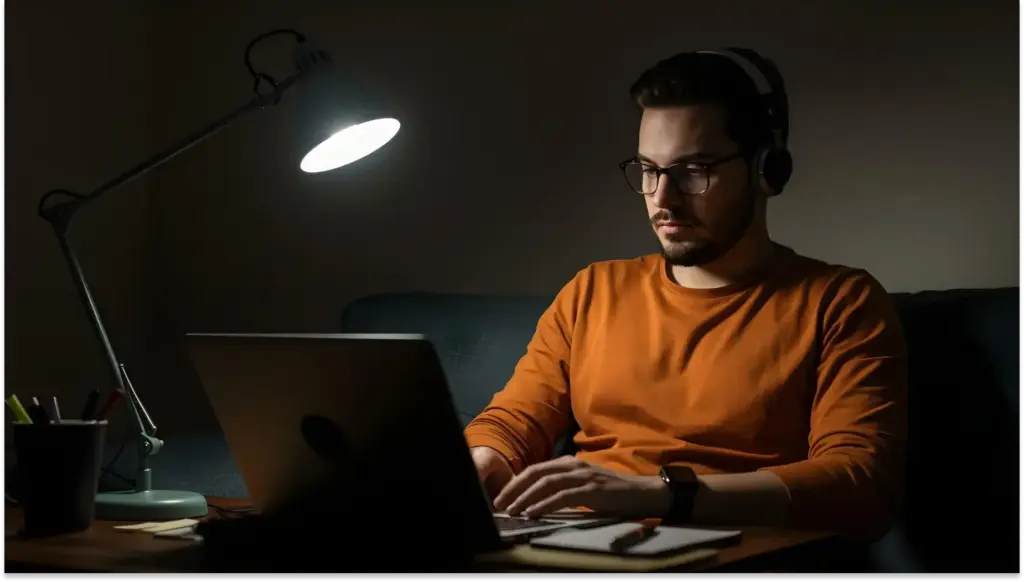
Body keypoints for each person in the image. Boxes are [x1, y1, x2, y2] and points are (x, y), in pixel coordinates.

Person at [463, 48, 907, 541]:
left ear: (766, 170)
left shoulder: (840, 301)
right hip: (580, 543)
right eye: (649, 170)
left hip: (736, 552)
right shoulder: (593, 290)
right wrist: (485, 460)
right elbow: (512, 419)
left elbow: (857, 481)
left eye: (693, 171)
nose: (663, 197)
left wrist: (657, 493)